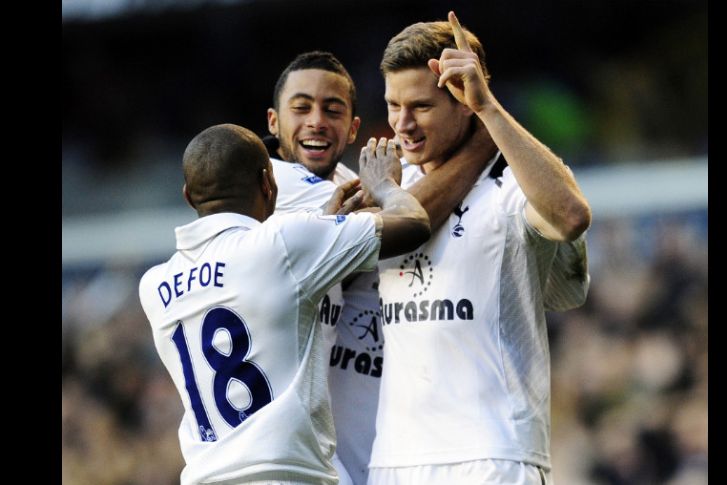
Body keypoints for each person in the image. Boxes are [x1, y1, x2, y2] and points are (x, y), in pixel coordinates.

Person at [369, 12, 592, 485]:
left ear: (463, 100)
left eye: (420, 107)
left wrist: (490, 107)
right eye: (393, 105)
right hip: (394, 461)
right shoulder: (391, 188)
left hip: (492, 455)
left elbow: (571, 217)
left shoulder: (510, 187)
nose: (401, 124)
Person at [138, 123, 430, 485]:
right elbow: (414, 223)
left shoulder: (153, 285)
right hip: (285, 475)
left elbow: (247, 281)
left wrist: (320, 227)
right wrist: (385, 184)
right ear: (268, 183)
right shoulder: (283, 244)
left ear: (188, 195)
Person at [263, 51, 499, 485]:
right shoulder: (280, 193)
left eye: (332, 110)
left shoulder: (346, 187)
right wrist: (484, 139)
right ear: (273, 122)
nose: (316, 120)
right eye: (301, 107)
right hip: (304, 463)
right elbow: (413, 220)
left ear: (354, 128)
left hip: (370, 454)